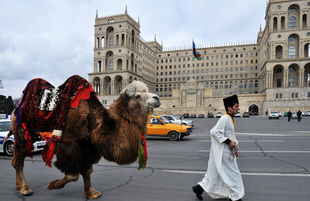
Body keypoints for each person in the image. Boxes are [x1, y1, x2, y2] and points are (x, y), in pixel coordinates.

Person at [192, 95, 244, 201]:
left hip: (226, 151)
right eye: (236, 106)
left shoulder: (230, 119)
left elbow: (230, 135)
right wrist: (229, 142)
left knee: (213, 173)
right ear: (229, 108)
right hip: (224, 153)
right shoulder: (225, 118)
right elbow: (214, 132)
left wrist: (236, 148)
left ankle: (199, 188)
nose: (238, 108)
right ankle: (235, 197)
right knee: (234, 175)